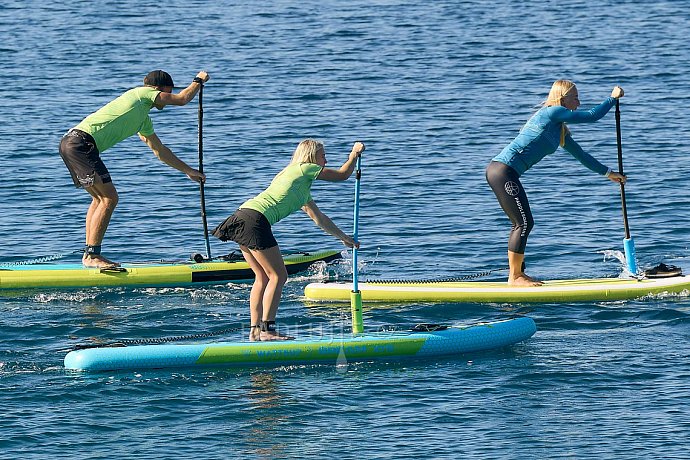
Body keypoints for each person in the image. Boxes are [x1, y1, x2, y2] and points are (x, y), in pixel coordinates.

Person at [212, 139, 365, 341]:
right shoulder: (303, 169)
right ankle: (267, 330)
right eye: (323, 156)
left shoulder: (299, 186)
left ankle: (255, 330)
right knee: (278, 276)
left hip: (243, 216)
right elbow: (343, 175)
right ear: (311, 156)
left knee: (262, 277)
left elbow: (320, 219)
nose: (325, 161)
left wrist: (344, 237)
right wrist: (354, 154)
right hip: (256, 220)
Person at [59, 70, 210, 268]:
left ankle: (89, 253)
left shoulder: (143, 119)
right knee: (109, 198)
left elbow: (161, 152)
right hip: (81, 143)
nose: (169, 95)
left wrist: (188, 170)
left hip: (71, 143)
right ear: (158, 89)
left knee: (99, 198)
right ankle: (92, 256)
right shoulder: (142, 93)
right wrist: (198, 81)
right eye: (169, 90)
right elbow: (182, 99)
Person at [486, 80, 626, 286]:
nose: (578, 102)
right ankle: (515, 276)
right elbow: (592, 116)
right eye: (575, 97)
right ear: (563, 98)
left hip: (506, 173)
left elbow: (581, 156)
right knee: (522, 223)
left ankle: (518, 274)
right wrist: (612, 99)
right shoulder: (552, 113)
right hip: (502, 171)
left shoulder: (558, 130)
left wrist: (608, 173)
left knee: (523, 223)